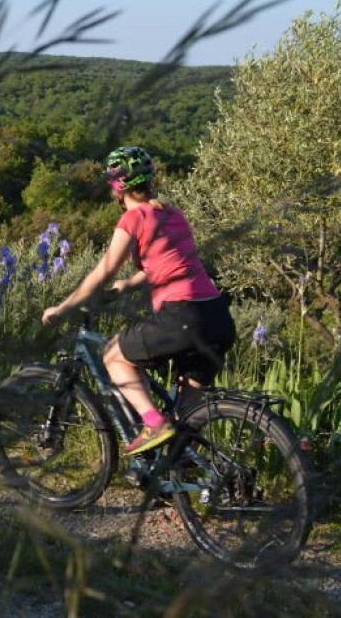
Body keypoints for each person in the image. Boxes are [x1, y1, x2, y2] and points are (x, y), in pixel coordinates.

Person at [40, 146, 236, 455]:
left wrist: (63, 308)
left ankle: (152, 423)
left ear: (117, 186)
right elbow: (171, 262)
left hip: (183, 316)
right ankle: (181, 474)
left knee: (114, 356)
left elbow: (102, 271)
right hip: (217, 317)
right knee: (184, 420)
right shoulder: (171, 212)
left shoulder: (133, 218)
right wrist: (128, 285)